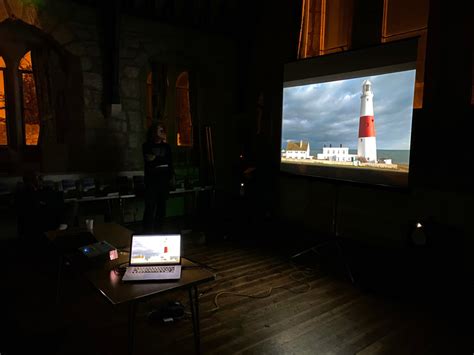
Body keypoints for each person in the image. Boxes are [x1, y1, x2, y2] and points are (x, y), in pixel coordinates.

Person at [142, 122, 174, 233]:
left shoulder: (166, 147)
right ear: (153, 132)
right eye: (159, 130)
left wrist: (157, 159)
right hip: (152, 182)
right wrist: (161, 160)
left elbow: (169, 162)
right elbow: (149, 160)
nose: (162, 132)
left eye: (162, 130)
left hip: (164, 181)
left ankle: (159, 233)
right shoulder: (147, 145)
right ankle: (147, 233)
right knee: (150, 208)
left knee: (162, 209)